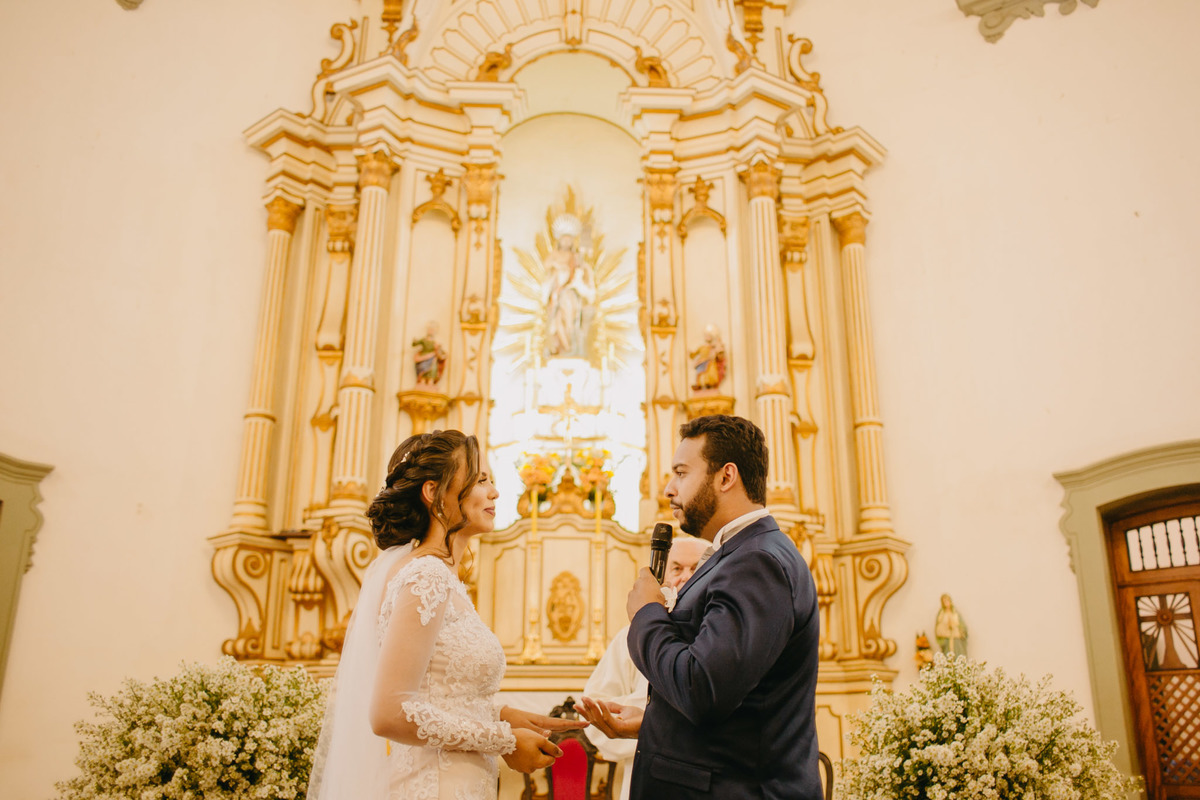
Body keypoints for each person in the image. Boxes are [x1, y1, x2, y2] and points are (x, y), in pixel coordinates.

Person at [307, 430, 585, 800]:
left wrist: (500, 714)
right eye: (480, 480)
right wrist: (503, 740)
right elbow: (389, 713)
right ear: (434, 492)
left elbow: (435, 695)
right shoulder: (426, 577)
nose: (494, 492)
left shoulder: (442, 576)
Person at [577, 415, 823, 800]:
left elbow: (702, 688)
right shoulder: (740, 555)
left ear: (726, 477)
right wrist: (655, 722)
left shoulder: (756, 561)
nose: (669, 488)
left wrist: (646, 613)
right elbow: (737, 702)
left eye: (681, 473)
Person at [581, 535, 709, 800]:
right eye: (676, 568)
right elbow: (595, 712)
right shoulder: (632, 635)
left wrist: (651, 719)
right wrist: (646, 721)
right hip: (646, 777)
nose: (686, 577)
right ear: (662, 578)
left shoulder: (720, 634)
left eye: (696, 568)